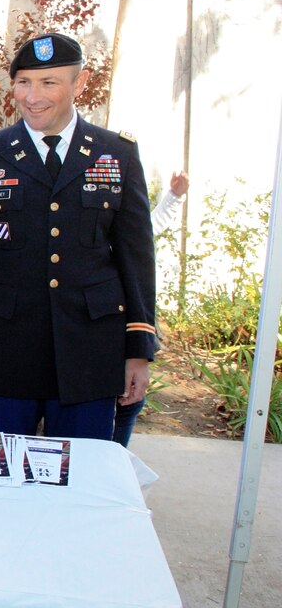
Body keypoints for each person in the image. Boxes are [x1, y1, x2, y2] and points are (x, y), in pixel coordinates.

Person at [0, 33, 156, 440]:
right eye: (23, 82)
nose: (32, 96)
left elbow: (137, 259)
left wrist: (139, 350)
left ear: (81, 83)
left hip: (91, 353)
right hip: (7, 352)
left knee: (82, 483)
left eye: (49, 82)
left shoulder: (116, 154)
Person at [113, 169, 190, 446]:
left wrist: (174, 197)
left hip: (128, 319)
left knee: (129, 400)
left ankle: (116, 458)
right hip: (90, 323)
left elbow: (149, 226)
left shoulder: (124, 222)